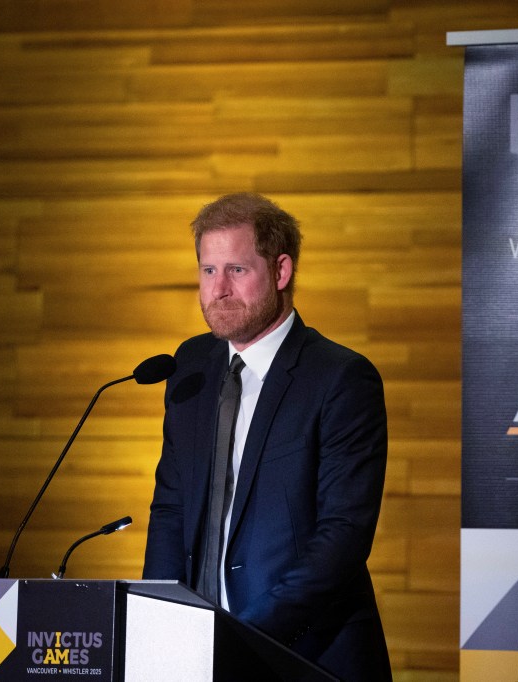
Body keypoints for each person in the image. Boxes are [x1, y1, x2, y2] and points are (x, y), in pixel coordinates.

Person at [143, 192, 392, 680]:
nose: (218, 290)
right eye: (207, 271)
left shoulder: (340, 378)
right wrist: (158, 624)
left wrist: (246, 639)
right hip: (199, 656)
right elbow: (171, 509)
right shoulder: (189, 368)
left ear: (280, 272)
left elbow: (342, 536)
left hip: (306, 655)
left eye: (236, 270)